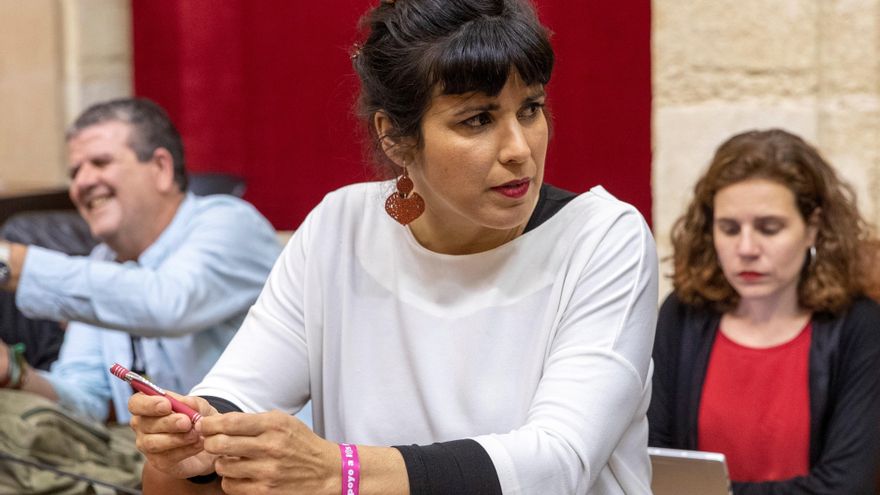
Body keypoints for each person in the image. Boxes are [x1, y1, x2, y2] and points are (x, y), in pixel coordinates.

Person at [129, 1, 659, 494]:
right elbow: (239, 392)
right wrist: (193, 433)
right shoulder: (340, 226)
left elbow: (558, 460)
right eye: (478, 119)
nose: (520, 149)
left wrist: (345, 470)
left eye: (530, 109)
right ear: (395, 137)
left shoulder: (604, 238)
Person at [0, 97, 280, 424]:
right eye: (75, 172)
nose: (82, 183)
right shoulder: (102, 263)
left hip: (265, 458)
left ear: (161, 168)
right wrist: (14, 372)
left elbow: (168, 303)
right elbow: (88, 400)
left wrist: (10, 261)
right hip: (162, 468)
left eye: (101, 163)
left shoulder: (229, 223)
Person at [648, 129, 880, 494]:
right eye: (728, 228)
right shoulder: (682, 314)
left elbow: (846, 486)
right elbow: (653, 464)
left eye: (769, 228)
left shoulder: (859, 325)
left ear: (812, 229)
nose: (746, 248)